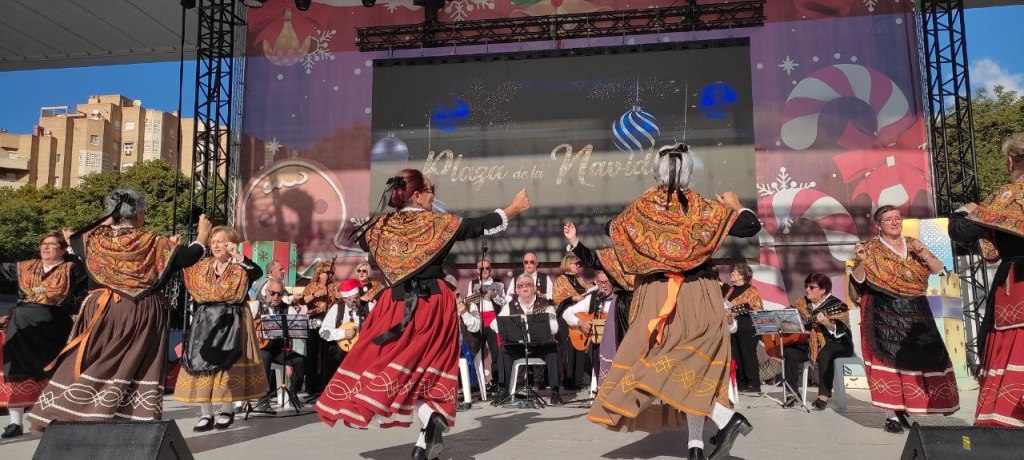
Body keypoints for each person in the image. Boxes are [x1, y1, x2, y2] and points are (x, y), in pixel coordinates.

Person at [314, 169, 529, 460]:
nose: (434, 195)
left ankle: (425, 428)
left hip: (394, 305)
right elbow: (480, 226)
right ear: (417, 194)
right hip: (434, 304)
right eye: (431, 190)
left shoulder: (380, 227)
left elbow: (363, 241)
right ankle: (429, 426)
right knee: (431, 370)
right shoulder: (439, 223)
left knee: (392, 366)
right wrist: (514, 208)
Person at [584, 143, 761, 460]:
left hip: (659, 294)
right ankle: (695, 445)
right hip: (701, 293)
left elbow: (612, 230)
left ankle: (724, 420)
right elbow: (750, 226)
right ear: (689, 170)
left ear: (657, 171)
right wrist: (737, 207)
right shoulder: (702, 208)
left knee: (653, 363)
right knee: (695, 369)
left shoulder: (641, 208)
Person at [26, 189, 208, 433]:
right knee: (137, 363)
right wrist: (202, 237)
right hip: (141, 310)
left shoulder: (94, 239)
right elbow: (188, 256)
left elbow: (77, 237)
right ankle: (128, 421)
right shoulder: (153, 241)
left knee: (94, 356)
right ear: (140, 213)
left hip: (102, 308)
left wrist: (112, 214)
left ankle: (66, 410)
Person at [850, 205, 958, 433]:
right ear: (878, 225)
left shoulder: (913, 244)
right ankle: (892, 414)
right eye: (889, 219)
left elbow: (939, 270)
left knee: (922, 356)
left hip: (915, 307)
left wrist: (925, 254)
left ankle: (908, 406)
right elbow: (858, 281)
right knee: (887, 358)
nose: (895, 222)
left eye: (898, 218)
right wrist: (860, 261)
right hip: (883, 307)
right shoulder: (868, 249)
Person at [949, 133, 1024, 427]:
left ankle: (1006, 420)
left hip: (1018, 283)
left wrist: (965, 211)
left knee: (1011, 344)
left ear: (1010, 161)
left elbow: (961, 231)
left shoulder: (1010, 195)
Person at [173, 226, 269, 432]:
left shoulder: (240, 267)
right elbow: (180, 265)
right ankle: (206, 414)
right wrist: (175, 248)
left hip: (231, 319)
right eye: (213, 241)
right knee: (201, 365)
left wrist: (238, 256)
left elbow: (258, 273)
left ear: (231, 244)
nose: (216, 245)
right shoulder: (202, 266)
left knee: (228, 366)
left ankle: (226, 410)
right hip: (205, 319)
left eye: (221, 241)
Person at [0, 231, 87, 438]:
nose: (45, 248)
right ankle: (15, 423)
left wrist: (74, 245)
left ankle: (50, 418)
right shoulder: (26, 266)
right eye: (43, 244)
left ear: (63, 250)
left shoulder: (70, 268)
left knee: (51, 371)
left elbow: (89, 270)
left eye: (51, 245)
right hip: (22, 326)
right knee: (17, 370)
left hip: (53, 328)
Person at [780, 274, 853, 410]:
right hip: (810, 343)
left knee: (825, 353)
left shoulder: (837, 305)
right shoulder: (802, 303)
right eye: (806, 286)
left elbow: (843, 329)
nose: (807, 289)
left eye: (812, 287)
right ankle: (792, 393)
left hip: (837, 343)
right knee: (790, 352)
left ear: (823, 290)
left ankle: (823, 397)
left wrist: (827, 323)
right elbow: (785, 315)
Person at [489, 274, 563, 406]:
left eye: (528, 284)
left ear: (534, 288)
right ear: (516, 290)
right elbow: (494, 324)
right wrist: (511, 325)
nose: (524, 287)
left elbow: (555, 327)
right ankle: (503, 390)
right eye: (520, 285)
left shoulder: (545, 304)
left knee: (553, 350)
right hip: (519, 346)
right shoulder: (509, 306)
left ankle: (555, 392)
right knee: (504, 349)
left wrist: (541, 322)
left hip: (540, 345)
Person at [561, 271, 617, 391]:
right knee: (596, 350)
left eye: (606, 282)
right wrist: (580, 322)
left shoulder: (620, 299)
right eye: (600, 282)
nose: (604, 285)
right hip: (597, 344)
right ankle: (601, 388)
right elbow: (566, 313)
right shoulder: (593, 298)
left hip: (615, 343)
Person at [256, 278, 306, 406]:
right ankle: (263, 397)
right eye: (272, 293)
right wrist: (255, 332)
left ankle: (293, 394)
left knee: (299, 360)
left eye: (279, 294)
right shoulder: (256, 306)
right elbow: (245, 326)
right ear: (266, 292)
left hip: (279, 349)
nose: (276, 297)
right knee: (264, 356)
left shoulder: (288, 309)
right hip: (262, 349)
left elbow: (298, 327)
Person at [318, 279, 370, 389]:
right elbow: (323, 332)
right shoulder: (337, 308)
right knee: (334, 354)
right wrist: (342, 333)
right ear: (344, 299)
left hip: (364, 347)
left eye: (356, 298)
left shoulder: (368, 306)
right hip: (343, 349)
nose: (353, 301)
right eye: (349, 299)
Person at [553, 254, 593, 391]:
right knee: (569, 348)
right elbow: (557, 298)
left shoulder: (580, 280)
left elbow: (591, 290)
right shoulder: (560, 280)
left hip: (581, 316)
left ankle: (578, 379)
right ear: (568, 264)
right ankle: (569, 380)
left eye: (578, 264)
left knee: (580, 346)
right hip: (566, 316)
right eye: (575, 263)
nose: (578, 266)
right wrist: (573, 298)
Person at [723, 263, 763, 393]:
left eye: (734, 272)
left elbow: (758, 308)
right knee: (737, 355)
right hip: (733, 326)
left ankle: (753, 383)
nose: (731, 274)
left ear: (741, 276)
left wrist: (737, 311)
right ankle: (741, 382)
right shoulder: (731, 290)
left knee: (748, 354)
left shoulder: (751, 290)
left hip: (747, 326)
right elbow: (727, 305)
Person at [299, 260, 338, 395]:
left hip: (328, 321)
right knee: (312, 354)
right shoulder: (312, 286)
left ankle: (325, 383)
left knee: (326, 353)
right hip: (314, 320)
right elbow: (302, 301)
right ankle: (311, 385)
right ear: (319, 274)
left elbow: (339, 301)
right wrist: (316, 295)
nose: (328, 275)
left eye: (329, 273)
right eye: (325, 273)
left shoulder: (334, 286)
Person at [467, 258, 505, 392]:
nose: (484, 271)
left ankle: (497, 381)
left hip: (493, 319)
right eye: (482, 268)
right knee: (476, 351)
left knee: (496, 352)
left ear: (491, 269)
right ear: (477, 270)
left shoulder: (498, 283)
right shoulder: (472, 283)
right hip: (478, 318)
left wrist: (495, 296)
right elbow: (469, 303)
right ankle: (476, 382)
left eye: (487, 268)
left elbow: (503, 303)